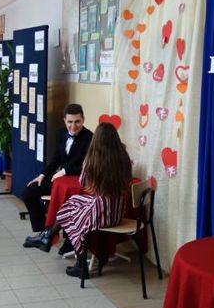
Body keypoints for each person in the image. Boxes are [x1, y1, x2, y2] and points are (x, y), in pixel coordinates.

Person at [24, 122, 132, 278]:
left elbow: (83, 183)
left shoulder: (94, 160)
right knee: (72, 202)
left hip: (101, 215)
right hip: (117, 213)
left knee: (73, 218)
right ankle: (50, 237)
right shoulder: (124, 159)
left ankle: (78, 261)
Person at [21, 104, 93, 235]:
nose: (73, 126)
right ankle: (43, 232)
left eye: (77, 122)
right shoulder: (60, 133)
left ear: (83, 120)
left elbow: (86, 167)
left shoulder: (90, 138)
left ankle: (63, 234)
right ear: (64, 120)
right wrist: (43, 174)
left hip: (77, 181)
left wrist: (64, 171)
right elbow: (56, 158)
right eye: (70, 122)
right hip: (60, 179)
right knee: (28, 193)